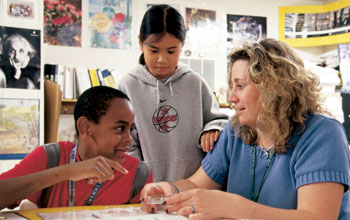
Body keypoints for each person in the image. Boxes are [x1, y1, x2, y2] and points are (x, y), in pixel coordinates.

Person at [139, 38, 350, 220]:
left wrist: (233, 207)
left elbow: (317, 217)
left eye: (240, 86)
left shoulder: (322, 134)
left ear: (273, 87)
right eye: (232, 87)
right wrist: (169, 190)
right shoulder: (235, 131)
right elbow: (197, 184)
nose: (231, 98)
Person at [118, 4, 228, 182]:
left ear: (182, 45)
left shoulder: (195, 83)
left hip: (194, 185)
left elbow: (219, 120)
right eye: (153, 50)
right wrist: (139, 182)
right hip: (146, 188)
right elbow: (125, 142)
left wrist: (212, 129)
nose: (162, 59)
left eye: (171, 51)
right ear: (140, 43)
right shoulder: (127, 86)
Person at [0, 86, 152, 210]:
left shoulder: (139, 174)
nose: (129, 139)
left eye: (130, 129)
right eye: (119, 129)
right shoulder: (50, 157)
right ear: (85, 127)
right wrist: (69, 171)